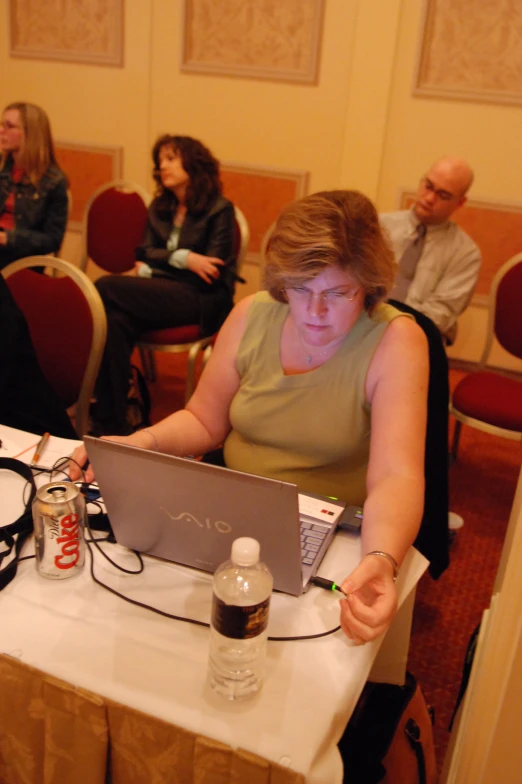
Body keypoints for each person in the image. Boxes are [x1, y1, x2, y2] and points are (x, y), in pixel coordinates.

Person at [72, 190, 429, 645]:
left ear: (369, 284)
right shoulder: (253, 314)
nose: (315, 312)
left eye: (338, 293)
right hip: (232, 513)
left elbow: (396, 477)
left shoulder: (396, 341)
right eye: (300, 289)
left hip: (333, 529)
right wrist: (142, 443)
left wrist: (381, 557)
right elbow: (204, 421)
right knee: (156, 627)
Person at [92, 134, 237, 435]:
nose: (162, 167)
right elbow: (142, 252)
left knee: (105, 287)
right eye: (160, 161)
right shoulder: (161, 205)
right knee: (115, 320)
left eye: (171, 159)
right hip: (163, 293)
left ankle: (103, 402)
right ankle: (112, 422)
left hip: (201, 299)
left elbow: (210, 271)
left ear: (193, 163)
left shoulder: (220, 209)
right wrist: (185, 258)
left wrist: (161, 264)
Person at [380, 156, 481, 345]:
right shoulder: (379, 226)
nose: (429, 198)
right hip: (364, 329)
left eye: (443, 195)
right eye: (428, 186)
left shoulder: (466, 253)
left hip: (419, 339)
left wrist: (392, 335)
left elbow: (440, 314)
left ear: (459, 202)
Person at [0, 102, 68, 269]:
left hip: (21, 260)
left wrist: (6, 238)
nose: (1, 130)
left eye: (10, 126)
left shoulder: (53, 181)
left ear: (30, 135)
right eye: (2, 124)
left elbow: (52, 240)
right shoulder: (3, 167)